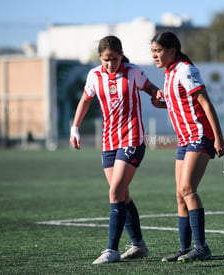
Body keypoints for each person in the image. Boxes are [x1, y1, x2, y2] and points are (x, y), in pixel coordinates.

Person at [69, 35, 164, 264]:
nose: (109, 64)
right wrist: (74, 128)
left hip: (132, 139)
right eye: (105, 59)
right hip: (108, 143)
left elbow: (151, 88)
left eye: (113, 58)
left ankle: (111, 249)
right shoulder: (94, 75)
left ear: (121, 54)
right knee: (122, 194)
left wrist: (159, 97)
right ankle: (139, 245)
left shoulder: (133, 72)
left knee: (114, 192)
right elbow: (84, 100)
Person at [151, 31, 224, 263]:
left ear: (172, 51)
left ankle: (201, 247)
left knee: (187, 189)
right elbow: (181, 104)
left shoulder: (185, 70)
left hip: (200, 136)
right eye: (152, 51)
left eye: (158, 51)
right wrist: (161, 104)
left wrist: (219, 138)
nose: (154, 55)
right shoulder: (170, 72)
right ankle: (185, 249)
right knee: (179, 194)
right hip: (184, 139)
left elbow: (205, 103)